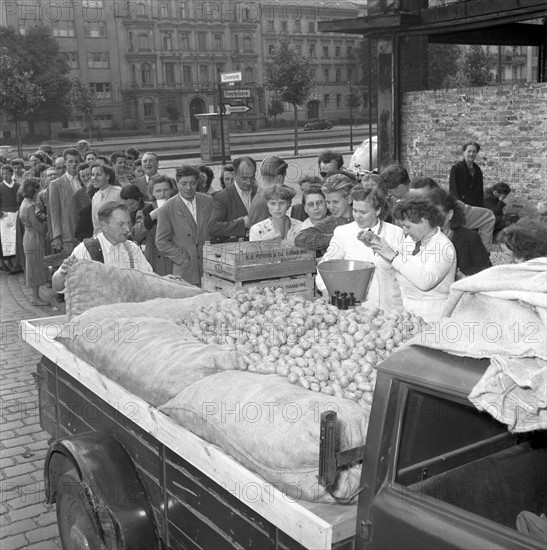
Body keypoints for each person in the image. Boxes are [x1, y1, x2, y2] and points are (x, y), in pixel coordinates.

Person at [369, 197, 457, 323]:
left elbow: (425, 282)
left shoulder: (443, 247)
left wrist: (393, 257)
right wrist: (379, 247)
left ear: (423, 221)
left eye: (407, 226)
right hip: (408, 312)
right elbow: (392, 261)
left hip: (433, 315)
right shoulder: (411, 241)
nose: (404, 231)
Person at [317, 187, 404, 311]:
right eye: (355, 210)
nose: (357, 216)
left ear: (378, 210)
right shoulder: (343, 233)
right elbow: (326, 265)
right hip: (357, 311)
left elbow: (404, 272)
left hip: (391, 308)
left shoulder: (396, 233)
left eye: (363, 212)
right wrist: (326, 289)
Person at [384, 167, 495, 250]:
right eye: (414, 200)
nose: (418, 205)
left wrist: (482, 248)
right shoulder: (403, 206)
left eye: (424, 200)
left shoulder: (453, 208)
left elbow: (488, 217)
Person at [52, 202, 153, 292]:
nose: (127, 229)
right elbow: (57, 286)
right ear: (104, 226)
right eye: (121, 224)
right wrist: (62, 273)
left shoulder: (132, 249)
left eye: (128, 223)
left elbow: (150, 279)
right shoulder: (86, 250)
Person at [156, 165, 213, 285]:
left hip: (210, 269)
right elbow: (161, 242)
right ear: (176, 184)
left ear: (198, 182)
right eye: (184, 183)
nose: (188, 187)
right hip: (185, 273)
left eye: (192, 183)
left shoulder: (209, 201)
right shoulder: (167, 208)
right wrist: (183, 258)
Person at [427, 187, 491, 278]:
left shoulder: (470, 237)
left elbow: (485, 269)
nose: (433, 220)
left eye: (438, 215)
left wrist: (459, 274)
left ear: (450, 214)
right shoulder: (421, 238)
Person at [294, 173, 355, 255]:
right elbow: (300, 239)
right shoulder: (328, 223)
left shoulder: (363, 218)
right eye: (328, 202)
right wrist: (338, 237)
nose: (331, 207)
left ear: (349, 199)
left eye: (335, 202)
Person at [132, 174, 176, 275]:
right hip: (155, 261)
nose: (163, 194)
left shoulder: (178, 209)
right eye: (158, 191)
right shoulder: (145, 212)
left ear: (171, 191)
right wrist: (150, 218)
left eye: (166, 190)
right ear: (152, 193)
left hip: (175, 260)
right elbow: (136, 235)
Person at [208, 156, 257, 243]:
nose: (249, 182)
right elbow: (213, 228)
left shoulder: (259, 193)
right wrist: (242, 224)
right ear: (235, 175)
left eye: (252, 178)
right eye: (244, 178)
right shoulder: (223, 197)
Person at [48, 147, 87, 254]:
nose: (74, 164)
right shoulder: (56, 184)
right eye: (70, 161)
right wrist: (57, 236)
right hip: (68, 234)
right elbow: (54, 213)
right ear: (65, 163)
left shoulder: (85, 181)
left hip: (86, 233)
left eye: (76, 161)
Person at [18, 178, 49, 306]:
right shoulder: (30, 206)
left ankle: (35, 296)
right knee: (35, 267)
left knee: (33, 265)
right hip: (34, 237)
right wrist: (46, 228)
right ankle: (35, 297)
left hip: (28, 235)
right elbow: (36, 225)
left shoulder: (24, 202)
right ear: (34, 190)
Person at [248, 156, 288, 226]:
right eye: (284, 177)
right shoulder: (265, 201)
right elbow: (260, 233)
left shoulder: (262, 196)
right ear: (280, 178)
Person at [0, 164, 22, 273]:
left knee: (17, 237)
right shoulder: (0, 187)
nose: (5, 176)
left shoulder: (17, 186)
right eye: (3, 174)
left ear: (11, 174)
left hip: (17, 213)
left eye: (7, 174)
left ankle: (19, 262)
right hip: (5, 215)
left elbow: (21, 199)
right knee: (7, 238)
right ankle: (10, 263)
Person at [449, 141, 484, 207]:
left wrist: (480, 207)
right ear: (463, 152)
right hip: (461, 205)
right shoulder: (456, 168)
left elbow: (480, 191)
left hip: (474, 206)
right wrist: (458, 205)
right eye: (469, 151)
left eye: (474, 152)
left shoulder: (478, 170)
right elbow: (453, 190)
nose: (471, 154)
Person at [90, 163, 122, 236]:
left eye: (98, 175)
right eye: (92, 175)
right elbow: (96, 224)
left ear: (107, 176)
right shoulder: (95, 197)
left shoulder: (118, 192)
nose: (94, 178)